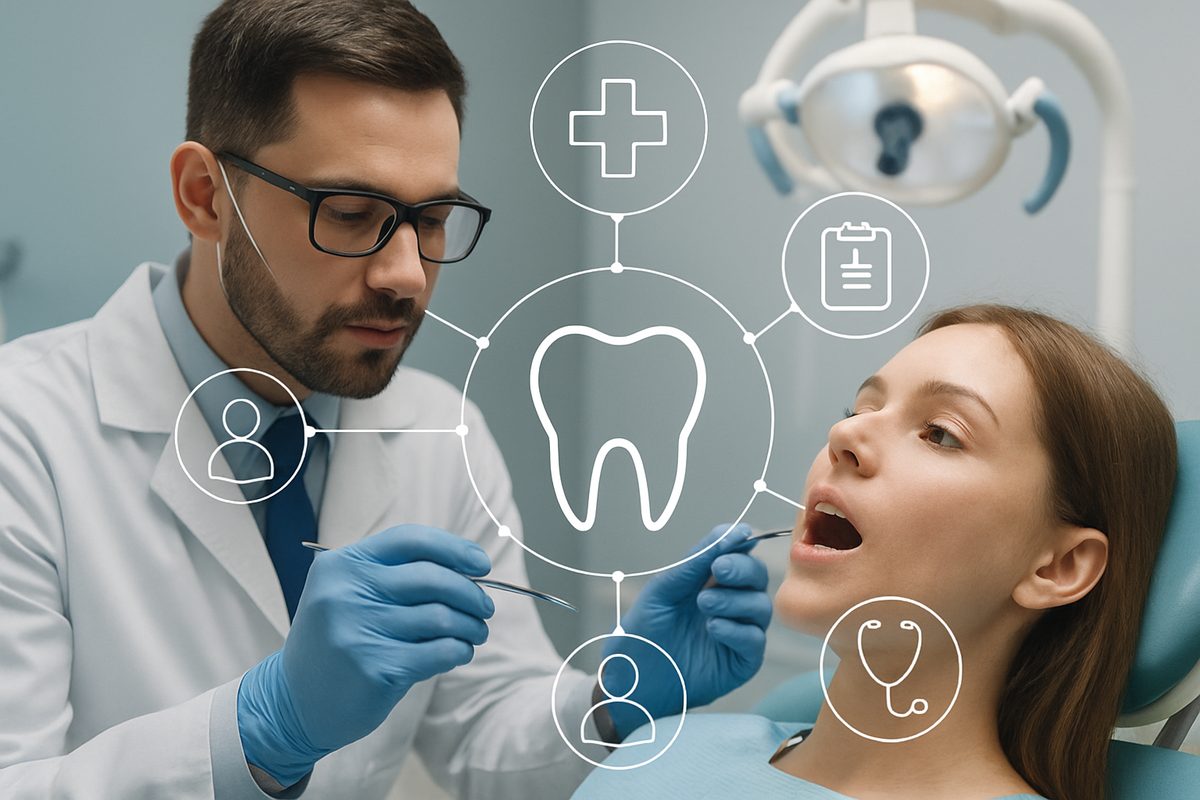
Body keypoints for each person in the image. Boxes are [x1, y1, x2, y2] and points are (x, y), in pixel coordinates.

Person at [0, 2, 773, 797]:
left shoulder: (444, 434)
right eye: (350, 214)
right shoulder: (22, 434)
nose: (406, 274)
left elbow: (485, 735)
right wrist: (261, 730)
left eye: (432, 219)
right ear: (206, 196)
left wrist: (620, 697)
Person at [574, 304, 1178, 800]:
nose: (845, 436)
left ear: (1057, 566)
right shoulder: (660, 748)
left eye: (940, 433)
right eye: (861, 409)